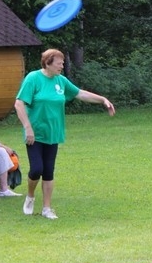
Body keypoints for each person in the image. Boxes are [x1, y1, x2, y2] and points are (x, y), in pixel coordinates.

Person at [14, 48, 115, 219]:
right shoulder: (33, 78)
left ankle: (47, 208)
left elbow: (80, 94)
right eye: (59, 63)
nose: (62, 66)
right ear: (48, 63)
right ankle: (30, 196)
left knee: (48, 171)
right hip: (35, 133)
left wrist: (102, 99)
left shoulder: (61, 81)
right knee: (36, 169)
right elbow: (19, 104)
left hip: (53, 133)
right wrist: (28, 127)